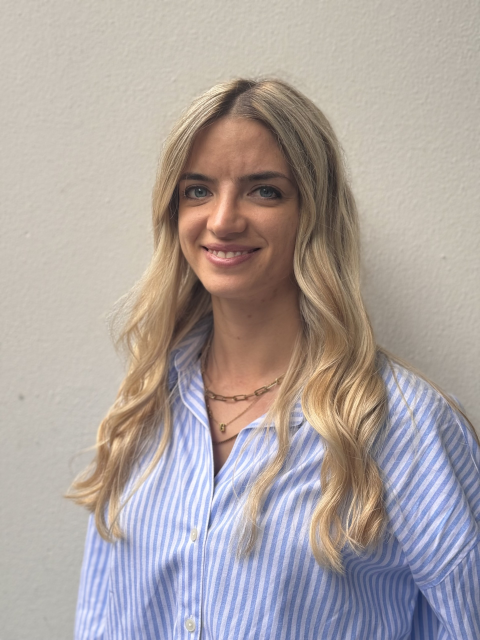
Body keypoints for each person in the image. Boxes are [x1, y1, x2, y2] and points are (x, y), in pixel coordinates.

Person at [69, 78, 480, 639]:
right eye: (198, 190)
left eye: (264, 191)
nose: (222, 220)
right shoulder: (143, 407)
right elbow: (100, 619)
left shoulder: (404, 426)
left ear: (313, 212)